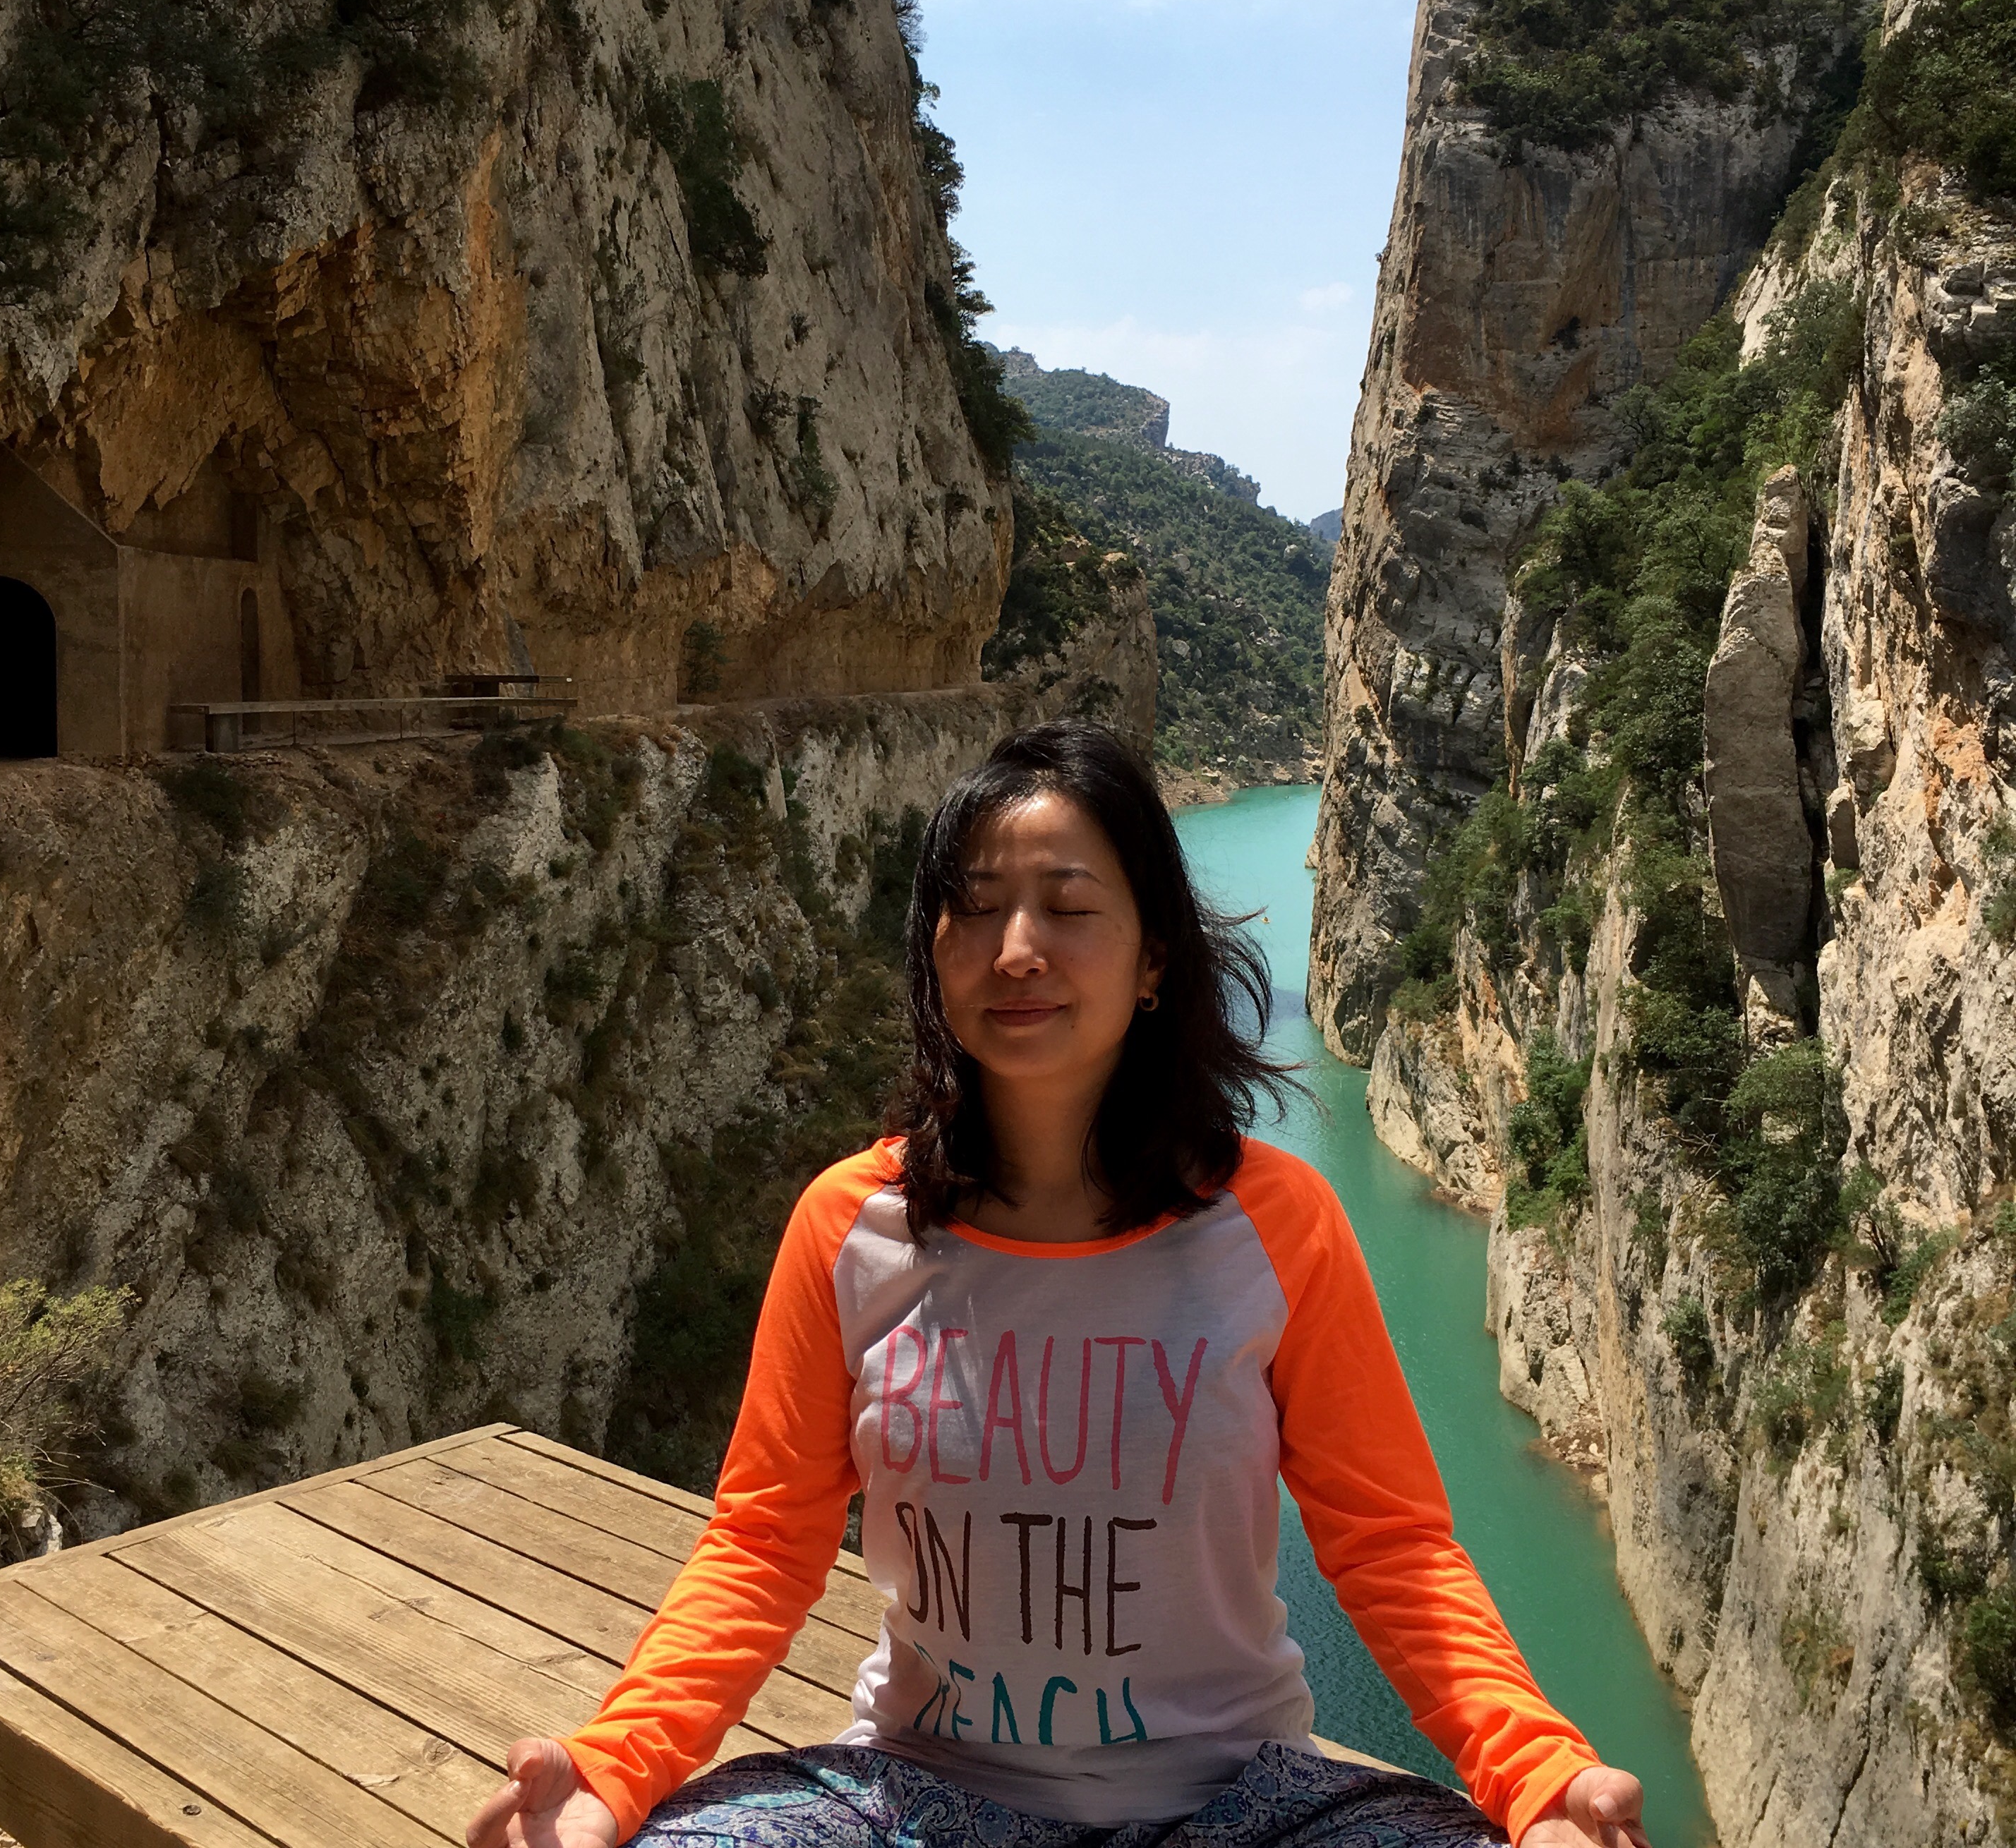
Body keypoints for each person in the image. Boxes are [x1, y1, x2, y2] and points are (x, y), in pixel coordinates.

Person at [468, 722, 1652, 1848]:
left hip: (1234, 1803)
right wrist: (615, 1771)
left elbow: (1389, 1544)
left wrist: (1535, 1770)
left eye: (1070, 907)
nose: (1016, 949)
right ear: (933, 952)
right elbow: (765, 1541)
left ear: (1153, 960)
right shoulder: (850, 1226)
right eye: (975, 908)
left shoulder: (1276, 1224)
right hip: (921, 1792)